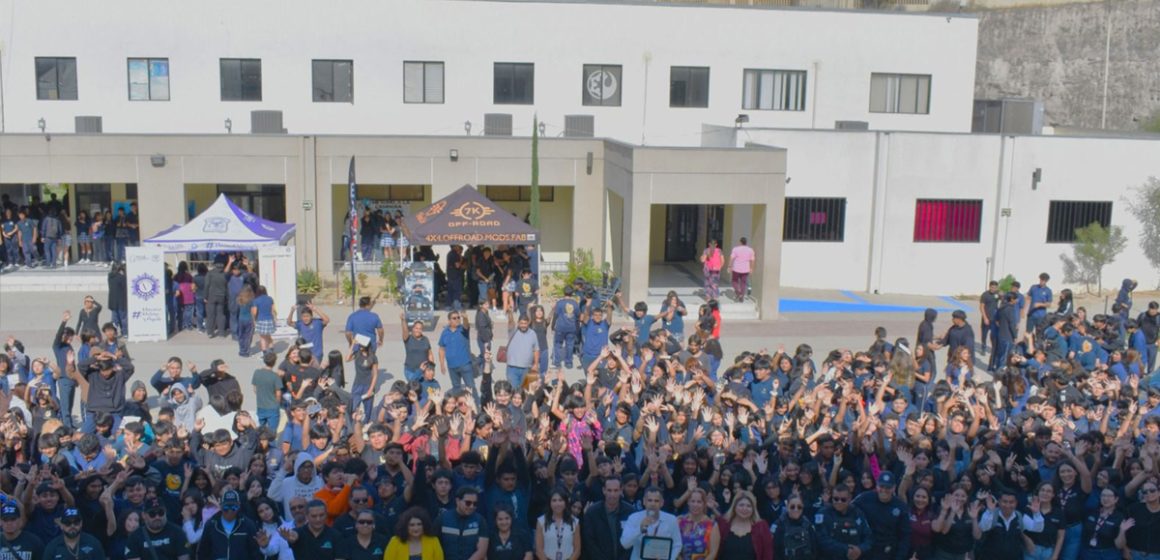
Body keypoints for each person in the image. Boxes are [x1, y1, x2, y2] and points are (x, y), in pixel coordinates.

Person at [852, 472, 910, 560]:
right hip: (866, 551)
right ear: (877, 486)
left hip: (888, 552)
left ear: (894, 488)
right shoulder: (864, 498)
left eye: (888, 487)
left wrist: (900, 557)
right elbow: (848, 508)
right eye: (881, 486)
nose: (884, 490)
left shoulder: (900, 506)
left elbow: (905, 536)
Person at [621, 486, 682, 560]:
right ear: (644, 501)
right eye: (649, 500)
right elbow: (625, 544)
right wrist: (639, 529)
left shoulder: (671, 519)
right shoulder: (634, 518)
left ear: (662, 503)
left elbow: (677, 544)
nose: (653, 504)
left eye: (656, 501)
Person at [199, 490, 262, 560]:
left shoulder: (248, 524)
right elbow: (202, 553)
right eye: (226, 507)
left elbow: (255, 553)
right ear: (220, 506)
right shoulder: (211, 524)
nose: (230, 510)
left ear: (239, 505)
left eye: (234, 507)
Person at [582, 477, 632, 560]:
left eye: (616, 490)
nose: (612, 494)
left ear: (621, 491)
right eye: (609, 490)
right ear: (603, 490)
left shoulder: (630, 512)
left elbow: (633, 540)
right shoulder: (592, 512)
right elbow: (589, 541)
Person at [816, 484, 871, 560]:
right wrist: (846, 549)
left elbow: (868, 537)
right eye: (836, 499)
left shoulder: (857, 513)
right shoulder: (822, 514)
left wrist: (860, 549)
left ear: (849, 498)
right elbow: (821, 540)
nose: (839, 502)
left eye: (843, 499)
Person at [436, 487, 488, 560]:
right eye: (468, 503)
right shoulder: (443, 519)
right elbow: (433, 545)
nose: (472, 506)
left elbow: (482, 551)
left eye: (475, 504)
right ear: (458, 501)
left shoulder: (480, 520)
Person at [438, 311, 475, 402]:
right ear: (449, 320)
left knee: (470, 387)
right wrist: (442, 364)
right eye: (454, 318)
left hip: (465, 364)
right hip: (452, 366)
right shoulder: (445, 332)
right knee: (456, 388)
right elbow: (442, 349)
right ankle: (459, 406)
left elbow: (466, 325)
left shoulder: (463, 329)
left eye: (458, 317)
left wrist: (465, 318)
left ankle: (474, 406)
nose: (457, 319)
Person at [772, 493, 817, 560]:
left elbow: (814, 550)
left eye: (799, 507)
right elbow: (774, 551)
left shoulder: (808, 525)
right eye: (792, 507)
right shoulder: (778, 525)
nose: (796, 510)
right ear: (787, 507)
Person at [677, 487, 718, 560]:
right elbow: (674, 547)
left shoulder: (712, 525)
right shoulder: (680, 522)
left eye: (699, 502)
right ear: (688, 502)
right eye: (693, 501)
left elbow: (713, 553)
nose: (695, 504)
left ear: (704, 504)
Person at [504, 315, 539, 390]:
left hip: (527, 368)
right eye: (521, 323)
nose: (523, 325)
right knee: (513, 390)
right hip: (512, 368)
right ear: (518, 323)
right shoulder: (513, 331)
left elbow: (536, 349)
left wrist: (536, 364)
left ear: (528, 323)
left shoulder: (532, 333)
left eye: (525, 323)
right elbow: (510, 322)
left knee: (526, 391)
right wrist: (510, 313)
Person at [204, 262, 229, 339]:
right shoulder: (224, 274)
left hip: (211, 296)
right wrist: (226, 297)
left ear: (215, 266)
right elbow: (226, 286)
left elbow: (207, 285)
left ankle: (210, 332)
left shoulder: (210, 274)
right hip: (221, 296)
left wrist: (205, 296)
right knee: (220, 315)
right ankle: (221, 333)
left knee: (211, 315)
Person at [726, 237, 755, 303]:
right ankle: (741, 295)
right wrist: (751, 268)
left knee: (734, 281)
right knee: (743, 283)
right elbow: (752, 260)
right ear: (746, 242)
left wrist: (729, 266)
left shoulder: (736, 249)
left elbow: (731, 258)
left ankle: (738, 292)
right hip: (745, 269)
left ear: (740, 242)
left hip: (736, 269)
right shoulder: (750, 250)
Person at [252, 285, 277, 353]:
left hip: (261, 320)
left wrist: (254, 320)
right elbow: (273, 310)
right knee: (268, 336)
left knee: (262, 337)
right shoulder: (270, 299)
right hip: (269, 319)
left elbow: (254, 312)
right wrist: (275, 319)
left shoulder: (256, 300)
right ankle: (271, 350)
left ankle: (265, 352)